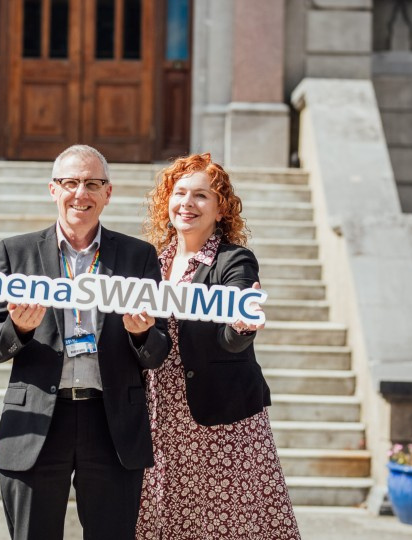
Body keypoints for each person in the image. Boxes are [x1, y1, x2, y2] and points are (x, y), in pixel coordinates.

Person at [0, 144, 171, 540]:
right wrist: (19, 328)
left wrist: (140, 335)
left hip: (112, 421)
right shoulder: (17, 252)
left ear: (107, 193)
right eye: (70, 182)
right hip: (37, 422)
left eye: (92, 183)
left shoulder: (139, 256)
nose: (80, 193)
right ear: (53, 189)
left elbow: (159, 350)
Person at [136, 153, 301, 539]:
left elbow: (233, 329)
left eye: (200, 196)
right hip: (162, 418)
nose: (186, 204)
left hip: (221, 422)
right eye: (179, 194)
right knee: (166, 522)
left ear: (221, 207)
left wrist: (242, 326)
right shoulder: (153, 262)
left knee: (227, 525)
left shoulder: (234, 260)